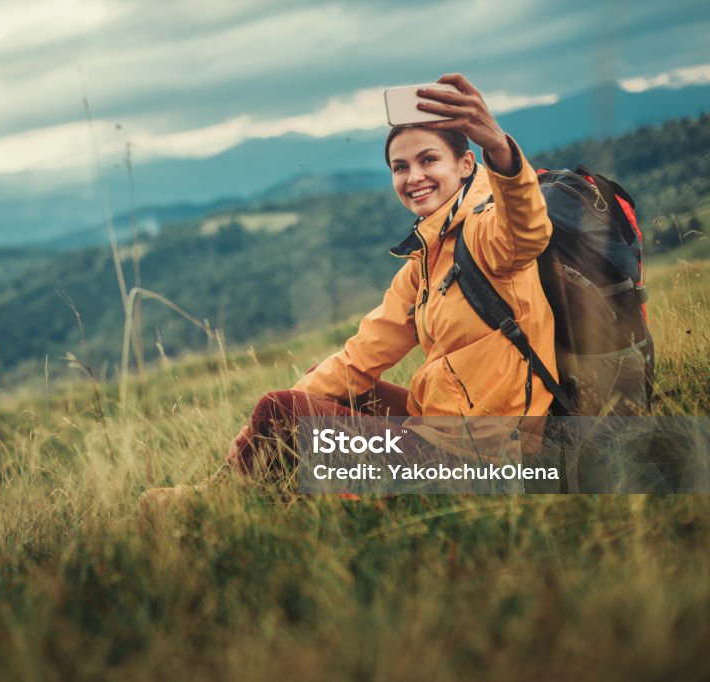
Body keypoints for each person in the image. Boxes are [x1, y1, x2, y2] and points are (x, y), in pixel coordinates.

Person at [227, 73, 557, 476]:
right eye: (400, 167)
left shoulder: (487, 230)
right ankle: (280, 499)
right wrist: (256, 430)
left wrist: (497, 145)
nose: (413, 177)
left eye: (429, 159)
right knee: (323, 382)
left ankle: (219, 496)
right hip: (442, 427)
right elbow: (360, 357)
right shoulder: (425, 260)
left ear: (466, 164)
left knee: (279, 408)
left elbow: (528, 230)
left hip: (490, 454)